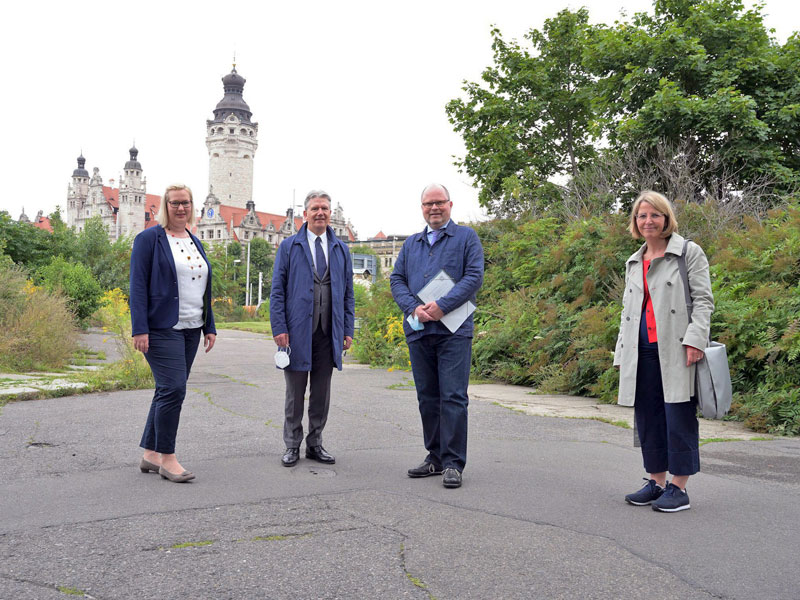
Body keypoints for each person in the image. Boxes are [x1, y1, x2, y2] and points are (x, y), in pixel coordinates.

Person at [614, 190, 713, 512]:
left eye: (654, 214)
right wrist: (621, 352)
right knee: (648, 415)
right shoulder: (634, 261)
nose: (648, 221)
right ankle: (656, 481)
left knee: (677, 414)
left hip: (676, 347)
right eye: (642, 216)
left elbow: (703, 301)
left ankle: (679, 487)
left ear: (666, 218)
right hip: (640, 348)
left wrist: (696, 339)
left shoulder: (688, 253)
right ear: (635, 222)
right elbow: (627, 313)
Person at [390, 183, 484, 488]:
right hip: (419, 329)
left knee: (453, 396)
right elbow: (397, 279)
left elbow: (474, 276)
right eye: (428, 204)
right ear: (422, 208)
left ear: (450, 204)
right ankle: (435, 456)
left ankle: (453, 462)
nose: (434, 208)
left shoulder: (466, 237)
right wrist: (413, 307)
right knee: (427, 397)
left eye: (439, 203)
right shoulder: (411, 244)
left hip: (453, 330)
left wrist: (442, 306)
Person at [130, 184, 216, 483]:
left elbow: (204, 285)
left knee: (165, 390)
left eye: (186, 203)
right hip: (160, 327)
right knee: (173, 389)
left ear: (192, 206)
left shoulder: (194, 240)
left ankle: (151, 454)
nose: (181, 208)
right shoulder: (148, 239)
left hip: (192, 328)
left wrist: (210, 325)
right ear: (164, 207)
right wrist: (139, 328)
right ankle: (168, 458)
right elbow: (138, 286)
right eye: (175, 203)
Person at [270, 190, 355, 467]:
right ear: (305, 213)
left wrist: (348, 329)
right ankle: (292, 445)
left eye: (325, 209)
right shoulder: (289, 246)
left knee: (321, 391)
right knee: (295, 392)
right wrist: (279, 327)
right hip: (296, 330)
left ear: (330, 214)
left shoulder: (341, 249)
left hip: (328, 331)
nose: (320, 213)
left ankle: (315, 443)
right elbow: (277, 291)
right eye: (315, 208)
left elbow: (348, 293)